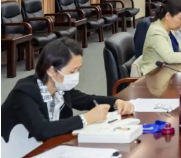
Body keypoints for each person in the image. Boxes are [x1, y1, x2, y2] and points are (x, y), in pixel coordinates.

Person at [1, 38, 135, 142]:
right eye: (72, 71)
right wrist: (86, 118)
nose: (76, 75)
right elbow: (42, 130)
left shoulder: (60, 88)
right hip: (11, 156)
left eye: (78, 70)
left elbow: (87, 100)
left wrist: (116, 102)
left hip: (44, 149)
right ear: (51, 70)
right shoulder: (24, 93)